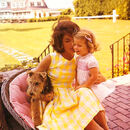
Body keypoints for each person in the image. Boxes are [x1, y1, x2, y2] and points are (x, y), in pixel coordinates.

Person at [32, 21, 109, 130]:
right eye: (67, 41)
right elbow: (34, 77)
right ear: (60, 42)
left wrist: (98, 79)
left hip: (74, 94)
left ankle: (106, 127)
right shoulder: (52, 58)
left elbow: (99, 76)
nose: (73, 44)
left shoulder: (79, 59)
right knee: (85, 119)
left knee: (85, 92)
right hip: (59, 100)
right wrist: (41, 94)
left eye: (75, 40)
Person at [73, 29, 115, 102]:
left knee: (95, 105)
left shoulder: (91, 61)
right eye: (74, 44)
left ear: (89, 46)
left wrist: (85, 86)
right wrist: (77, 84)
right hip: (82, 87)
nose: (76, 47)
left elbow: (94, 76)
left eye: (79, 45)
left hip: (90, 87)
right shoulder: (78, 58)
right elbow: (76, 72)